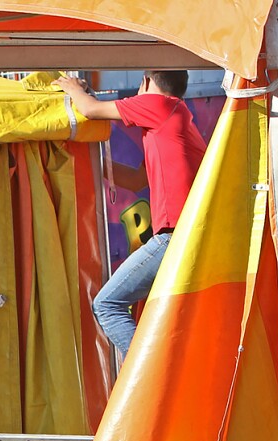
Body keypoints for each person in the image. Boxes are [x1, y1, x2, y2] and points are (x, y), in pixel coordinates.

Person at [55, 70, 207, 366]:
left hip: (173, 237)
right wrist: (88, 163)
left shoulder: (160, 105)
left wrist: (73, 88)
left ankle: (148, 373)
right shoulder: (175, 118)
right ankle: (155, 370)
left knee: (107, 304)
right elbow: (137, 179)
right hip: (187, 237)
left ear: (147, 82)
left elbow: (89, 109)